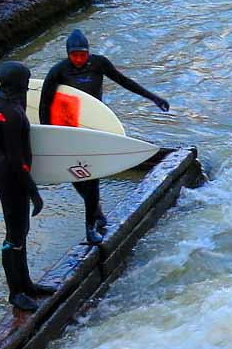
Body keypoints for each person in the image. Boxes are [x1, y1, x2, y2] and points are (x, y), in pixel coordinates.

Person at [38, 28, 170, 245]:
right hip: (69, 130)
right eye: (75, 55)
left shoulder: (99, 64)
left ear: (88, 53)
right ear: (68, 54)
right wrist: (50, 133)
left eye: (83, 55)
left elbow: (123, 81)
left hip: (93, 129)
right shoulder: (58, 71)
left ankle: (90, 226)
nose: (79, 60)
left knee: (92, 177)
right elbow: (44, 103)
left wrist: (153, 97)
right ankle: (96, 210)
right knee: (74, 175)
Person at [0, 61, 57, 312]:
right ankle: (15, 293)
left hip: (12, 174)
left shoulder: (3, 102)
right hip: (10, 177)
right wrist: (34, 192)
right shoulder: (8, 112)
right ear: (18, 83)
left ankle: (26, 283)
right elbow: (15, 160)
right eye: (26, 81)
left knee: (21, 231)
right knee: (14, 235)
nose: (28, 85)